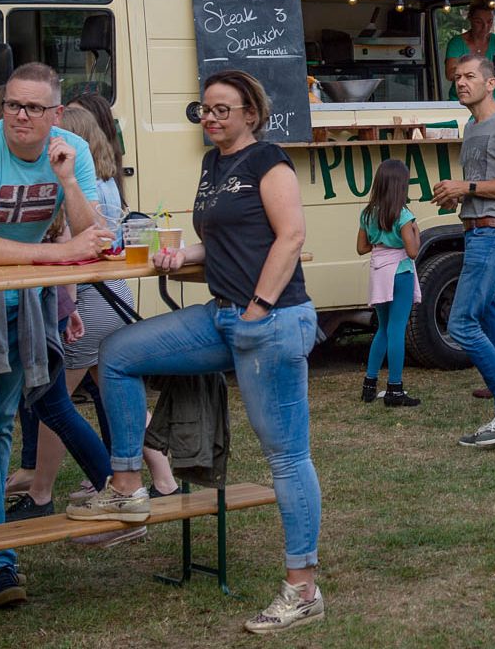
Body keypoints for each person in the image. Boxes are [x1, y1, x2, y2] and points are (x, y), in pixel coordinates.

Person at [81, 69, 326, 634]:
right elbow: (223, 239)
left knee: (287, 458)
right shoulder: (214, 165)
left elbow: (290, 235)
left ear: (250, 113)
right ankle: (127, 485)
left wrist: (259, 307)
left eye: (221, 109)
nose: (210, 118)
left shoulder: (269, 161)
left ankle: (303, 588)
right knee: (117, 353)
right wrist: (182, 254)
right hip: (222, 317)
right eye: (203, 110)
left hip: (273, 321)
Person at [0, 61, 113, 608]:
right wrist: (60, 255)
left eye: (33, 108)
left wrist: (67, 182)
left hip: (25, 302)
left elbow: (95, 235)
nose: (19, 115)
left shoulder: (71, 150)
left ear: (55, 114)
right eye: (13, 104)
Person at [47, 100, 177, 534]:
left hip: (89, 298)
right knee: (118, 398)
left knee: (53, 402)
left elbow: (75, 253)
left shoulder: (78, 189)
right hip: (112, 293)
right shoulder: (107, 182)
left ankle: (43, 491)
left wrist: (68, 308)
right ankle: (163, 479)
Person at [432, 55, 495, 446]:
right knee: (491, 325)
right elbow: (486, 185)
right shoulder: (472, 126)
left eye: (470, 76)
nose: (461, 82)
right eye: (457, 77)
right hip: (478, 232)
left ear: (491, 83)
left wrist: (467, 188)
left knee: (461, 324)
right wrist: (458, 196)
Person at [359, 158, 422, 407]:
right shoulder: (403, 215)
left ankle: (369, 384)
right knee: (397, 329)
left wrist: (381, 242)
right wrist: (416, 232)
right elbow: (413, 251)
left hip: (379, 271)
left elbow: (361, 247)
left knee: (383, 328)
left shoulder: (368, 214)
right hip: (400, 272)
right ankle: (395, 388)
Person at [443, 1, 495, 99]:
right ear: (470, 19)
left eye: (489, 21)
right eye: (479, 22)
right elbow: (450, 74)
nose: (485, 27)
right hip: (460, 102)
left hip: (491, 102)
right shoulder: (457, 43)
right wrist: (482, 71)